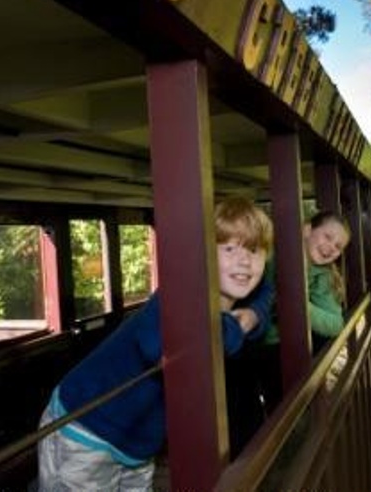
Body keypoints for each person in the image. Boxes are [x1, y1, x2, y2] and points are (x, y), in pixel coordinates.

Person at [37, 196, 273, 491]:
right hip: (85, 426)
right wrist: (237, 327)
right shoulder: (177, 295)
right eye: (229, 248)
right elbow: (159, 344)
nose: (245, 260)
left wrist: (254, 315)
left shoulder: (242, 300)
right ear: (202, 255)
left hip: (137, 444)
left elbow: (267, 291)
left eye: (255, 250)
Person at [259, 210, 351, 413]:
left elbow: (336, 324)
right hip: (251, 342)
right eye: (327, 237)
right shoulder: (273, 255)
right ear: (307, 229)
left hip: (279, 350)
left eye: (338, 247)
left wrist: (299, 306)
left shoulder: (322, 275)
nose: (330, 248)